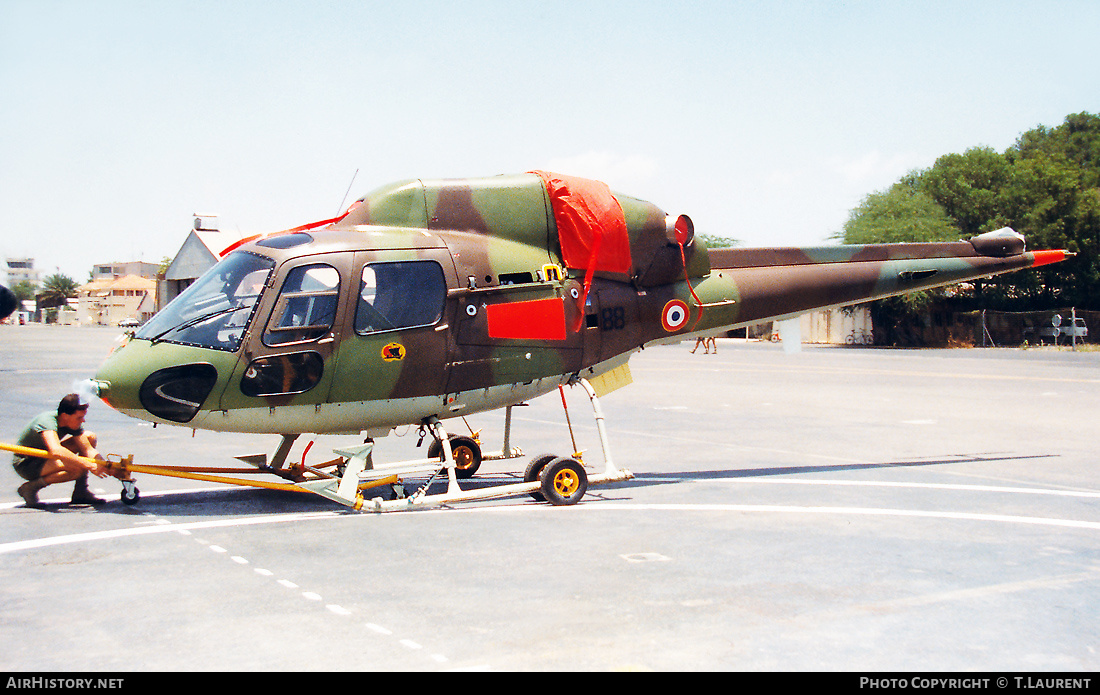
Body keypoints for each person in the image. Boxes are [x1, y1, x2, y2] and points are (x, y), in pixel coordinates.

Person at [12, 394, 108, 507]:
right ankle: (31, 488)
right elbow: (56, 450)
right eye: (79, 417)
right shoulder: (47, 421)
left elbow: (87, 448)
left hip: (45, 457)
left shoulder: (70, 422)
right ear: (65, 416)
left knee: (89, 437)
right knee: (77, 469)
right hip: (27, 464)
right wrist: (89, 465)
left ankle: (80, 492)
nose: (83, 420)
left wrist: (103, 464)